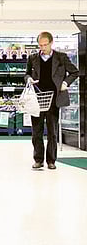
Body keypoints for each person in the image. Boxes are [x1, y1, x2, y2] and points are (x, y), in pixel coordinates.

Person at [25, 32, 79, 170]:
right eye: (40, 45)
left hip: (54, 100)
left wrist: (66, 83)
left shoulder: (61, 57)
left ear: (51, 42)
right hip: (37, 100)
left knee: (52, 132)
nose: (42, 48)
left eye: (45, 45)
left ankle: (51, 161)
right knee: (36, 132)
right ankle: (38, 160)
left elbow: (75, 72)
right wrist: (29, 79)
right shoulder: (33, 58)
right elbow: (26, 74)